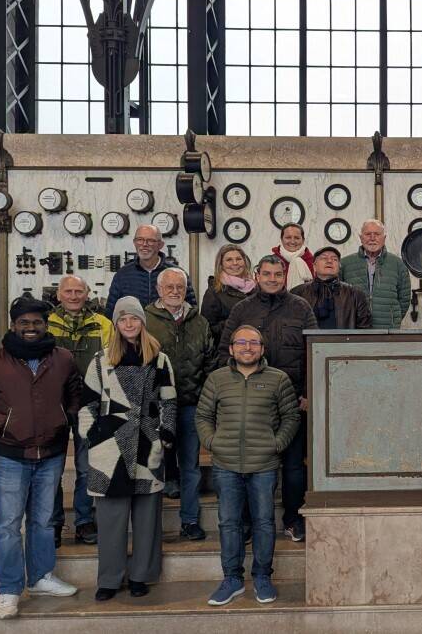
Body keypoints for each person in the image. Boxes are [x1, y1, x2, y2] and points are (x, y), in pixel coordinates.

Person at [0, 295, 81, 619]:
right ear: (13, 325)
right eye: (24, 322)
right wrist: (5, 423)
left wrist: (65, 418)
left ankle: (41, 577)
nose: (31, 328)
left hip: (51, 454)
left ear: (46, 325)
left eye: (37, 322)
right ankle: (9, 589)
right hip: (10, 457)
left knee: (44, 522)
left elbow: (75, 396)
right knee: (9, 525)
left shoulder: (63, 358)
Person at [79, 296, 177, 602]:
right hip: (109, 446)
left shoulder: (159, 359)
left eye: (134, 318)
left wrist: (165, 434)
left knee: (147, 518)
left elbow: (169, 400)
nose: (129, 323)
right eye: (123, 319)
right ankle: (109, 578)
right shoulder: (100, 359)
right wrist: (91, 434)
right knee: (110, 518)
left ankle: (141, 575)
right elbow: (86, 403)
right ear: (116, 324)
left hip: (148, 442)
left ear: (143, 323)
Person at [197, 326, 300, 607]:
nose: (247, 347)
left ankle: (263, 577)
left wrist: (276, 444)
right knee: (229, 523)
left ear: (262, 349)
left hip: (264, 465)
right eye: (241, 342)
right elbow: (203, 416)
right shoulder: (216, 379)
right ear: (231, 348)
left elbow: (291, 417)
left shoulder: (278, 379)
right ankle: (232, 579)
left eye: (253, 343)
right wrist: (212, 441)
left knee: (264, 523)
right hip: (226, 464)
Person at [219, 255, 317, 542]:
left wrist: (309, 394)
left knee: (294, 466)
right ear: (257, 275)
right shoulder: (242, 309)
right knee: (250, 465)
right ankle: (248, 522)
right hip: (253, 403)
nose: (272, 279)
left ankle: (293, 519)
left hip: (293, 401)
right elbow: (226, 350)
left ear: (285, 276)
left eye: (278, 274)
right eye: (267, 274)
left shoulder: (301, 308)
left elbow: (315, 351)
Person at [145, 267, 217, 541]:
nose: (175, 291)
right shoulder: (145, 320)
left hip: (190, 404)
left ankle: (189, 521)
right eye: (169, 287)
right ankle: (150, 525)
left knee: (191, 467)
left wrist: (205, 396)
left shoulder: (199, 322)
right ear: (159, 290)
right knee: (153, 464)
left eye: (180, 287)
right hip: (154, 407)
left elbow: (210, 361)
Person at [48, 275, 113, 547]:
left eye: (79, 291)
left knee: (86, 468)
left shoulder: (104, 324)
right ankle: (52, 524)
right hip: (53, 406)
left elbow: (111, 363)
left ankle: (84, 521)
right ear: (59, 294)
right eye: (68, 291)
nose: (74, 296)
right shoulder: (45, 324)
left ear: (87, 294)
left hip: (89, 404)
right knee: (52, 469)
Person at [104, 224, 195, 318]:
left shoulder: (177, 274)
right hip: (133, 331)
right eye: (140, 240)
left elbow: (191, 310)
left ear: (160, 245)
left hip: (167, 332)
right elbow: (111, 312)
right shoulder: (122, 275)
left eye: (150, 241)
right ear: (134, 243)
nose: (144, 244)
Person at [339, 219, 411, 329]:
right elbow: (339, 297)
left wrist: (393, 319)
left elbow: (404, 298)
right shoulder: (345, 264)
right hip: (354, 328)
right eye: (368, 234)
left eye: (377, 234)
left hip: (387, 329)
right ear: (361, 237)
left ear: (384, 238)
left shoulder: (398, 264)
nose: (372, 238)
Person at [292, 246, 372, 329]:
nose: (329, 261)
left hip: (344, 341)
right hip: (308, 341)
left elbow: (364, 329)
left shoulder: (355, 294)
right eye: (324, 258)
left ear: (339, 267)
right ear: (314, 266)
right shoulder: (298, 293)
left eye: (334, 259)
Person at [201, 244, 256, 347]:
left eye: (238, 259)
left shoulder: (256, 288)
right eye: (229, 260)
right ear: (221, 264)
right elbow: (207, 329)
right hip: (227, 350)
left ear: (244, 262)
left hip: (255, 347)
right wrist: (233, 323)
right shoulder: (214, 292)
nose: (235, 263)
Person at [271, 223, 314, 291]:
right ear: (282, 239)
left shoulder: (313, 262)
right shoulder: (271, 261)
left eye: (297, 238)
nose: (292, 241)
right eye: (288, 237)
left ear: (303, 240)